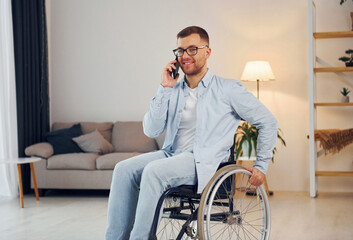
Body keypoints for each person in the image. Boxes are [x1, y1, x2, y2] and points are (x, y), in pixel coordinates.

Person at [105, 26, 278, 240]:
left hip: (202, 161)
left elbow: (268, 122)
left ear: (208, 52)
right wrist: (164, 88)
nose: (185, 55)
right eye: (180, 50)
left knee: (153, 171)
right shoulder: (174, 88)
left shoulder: (227, 89)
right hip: (171, 154)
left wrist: (261, 166)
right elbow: (151, 130)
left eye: (192, 49)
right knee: (122, 169)